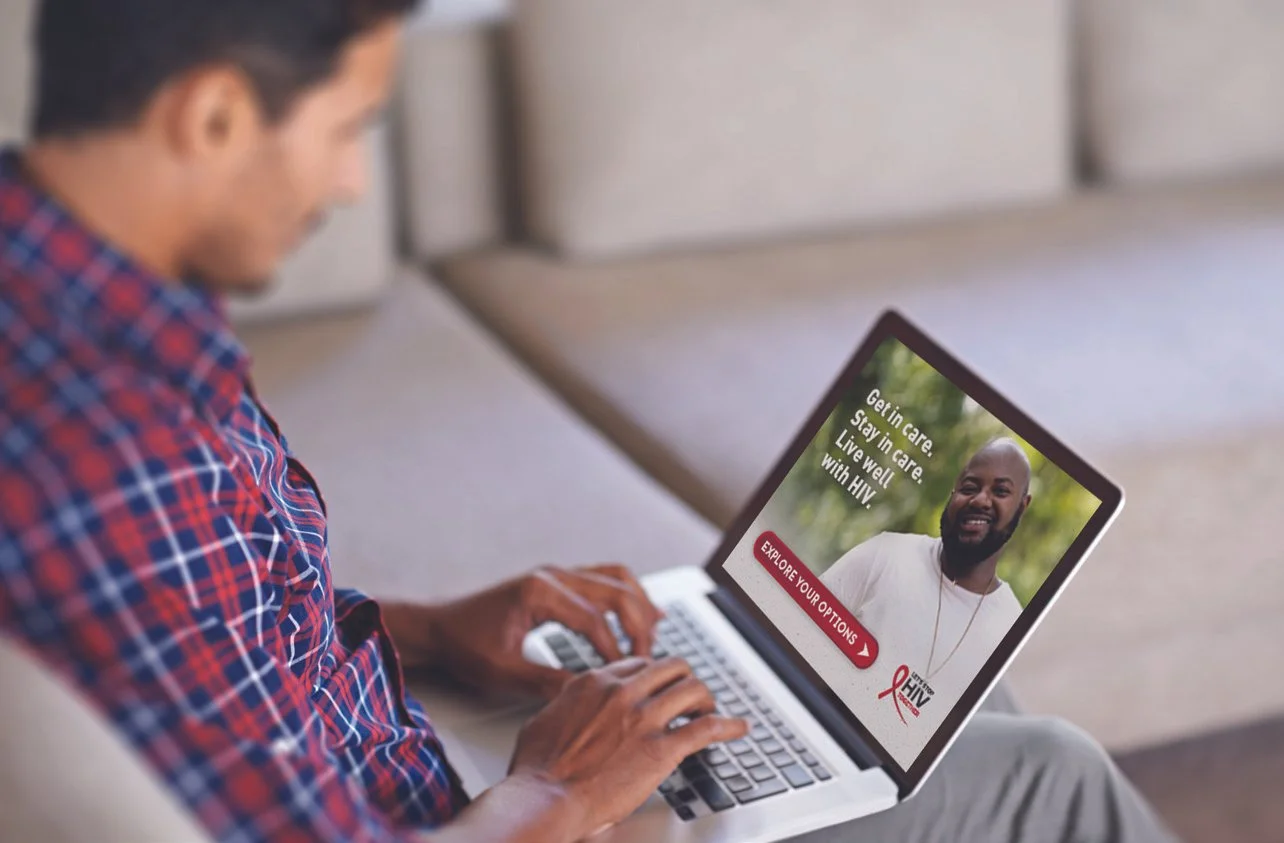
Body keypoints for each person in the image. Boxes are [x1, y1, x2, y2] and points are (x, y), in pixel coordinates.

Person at [0, 1, 1177, 841]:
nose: (351, 185)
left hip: (419, 756)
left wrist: (420, 629)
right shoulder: (112, 455)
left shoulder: (63, 296)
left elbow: (217, 644)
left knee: (934, 719)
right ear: (211, 116)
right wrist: (561, 789)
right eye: (348, 128)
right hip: (473, 810)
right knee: (1046, 778)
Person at [822, 439, 1031, 710]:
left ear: (1022, 506)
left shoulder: (1011, 627)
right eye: (969, 487)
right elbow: (795, 632)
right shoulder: (887, 554)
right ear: (954, 491)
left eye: (1001, 491)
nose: (980, 500)